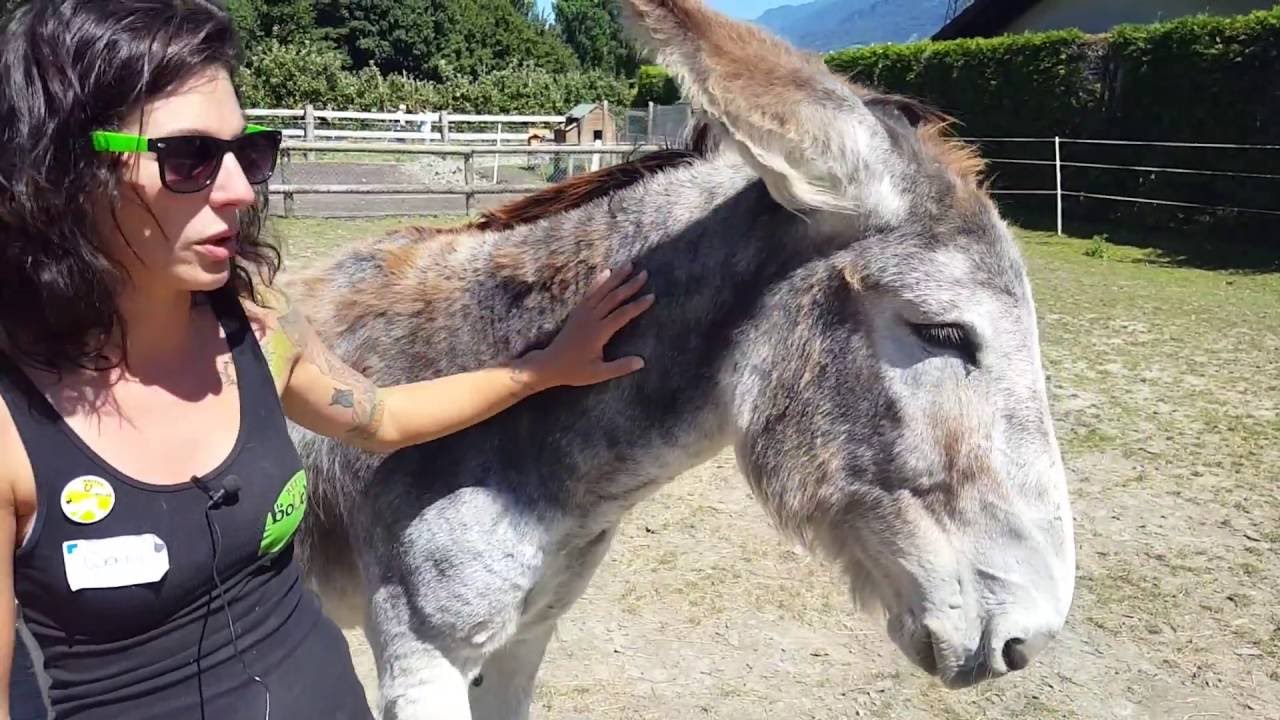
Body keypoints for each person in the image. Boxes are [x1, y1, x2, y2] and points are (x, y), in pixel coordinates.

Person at [0, 1, 655, 718]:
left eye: (248, 152)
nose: (240, 190)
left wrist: (540, 371)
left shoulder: (256, 330)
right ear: (65, 167)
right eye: (188, 157)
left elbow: (382, 418)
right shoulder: (12, 426)